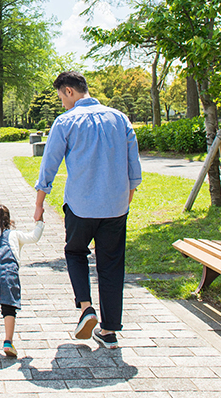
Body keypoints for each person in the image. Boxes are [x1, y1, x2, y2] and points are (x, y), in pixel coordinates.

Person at [34, 71, 141, 350]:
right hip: (116, 207)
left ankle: (86, 308)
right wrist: (124, 202)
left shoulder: (66, 122)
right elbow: (134, 168)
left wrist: (38, 204)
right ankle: (109, 331)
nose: (62, 104)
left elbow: (49, 166)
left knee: (75, 252)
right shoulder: (119, 118)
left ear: (69, 91)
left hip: (81, 207)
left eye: (61, 98)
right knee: (112, 264)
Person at [0, 203, 44, 357]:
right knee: (9, 308)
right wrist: (40, 222)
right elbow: (34, 237)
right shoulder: (14, 234)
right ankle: (8, 341)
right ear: (8, 221)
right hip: (9, 275)